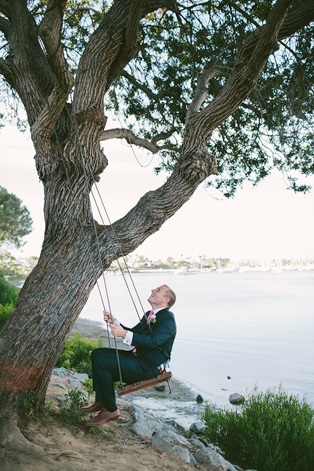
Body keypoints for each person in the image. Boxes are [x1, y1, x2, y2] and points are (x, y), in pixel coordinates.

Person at [81, 284, 177, 426]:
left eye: (157, 290)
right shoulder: (149, 315)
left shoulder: (167, 319)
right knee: (97, 353)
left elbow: (154, 342)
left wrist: (124, 334)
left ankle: (111, 410)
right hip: (138, 358)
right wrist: (114, 322)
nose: (152, 290)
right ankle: (101, 401)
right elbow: (134, 333)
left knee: (103, 362)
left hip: (148, 367)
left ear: (165, 300)